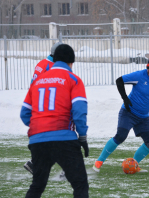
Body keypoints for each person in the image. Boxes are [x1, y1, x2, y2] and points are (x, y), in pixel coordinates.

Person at [20, 44, 89, 198]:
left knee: (37, 186)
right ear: (71, 62)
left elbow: (25, 113)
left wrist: (40, 125)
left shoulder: (37, 81)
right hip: (64, 139)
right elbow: (79, 112)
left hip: (37, 140)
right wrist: (82, 136)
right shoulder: (73, 79)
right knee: (80, 185)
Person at [24, 41, 63, 174]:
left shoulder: (42, 63)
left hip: (37, 102)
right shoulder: (54, 66)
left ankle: (34, 164)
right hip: (48, 106)